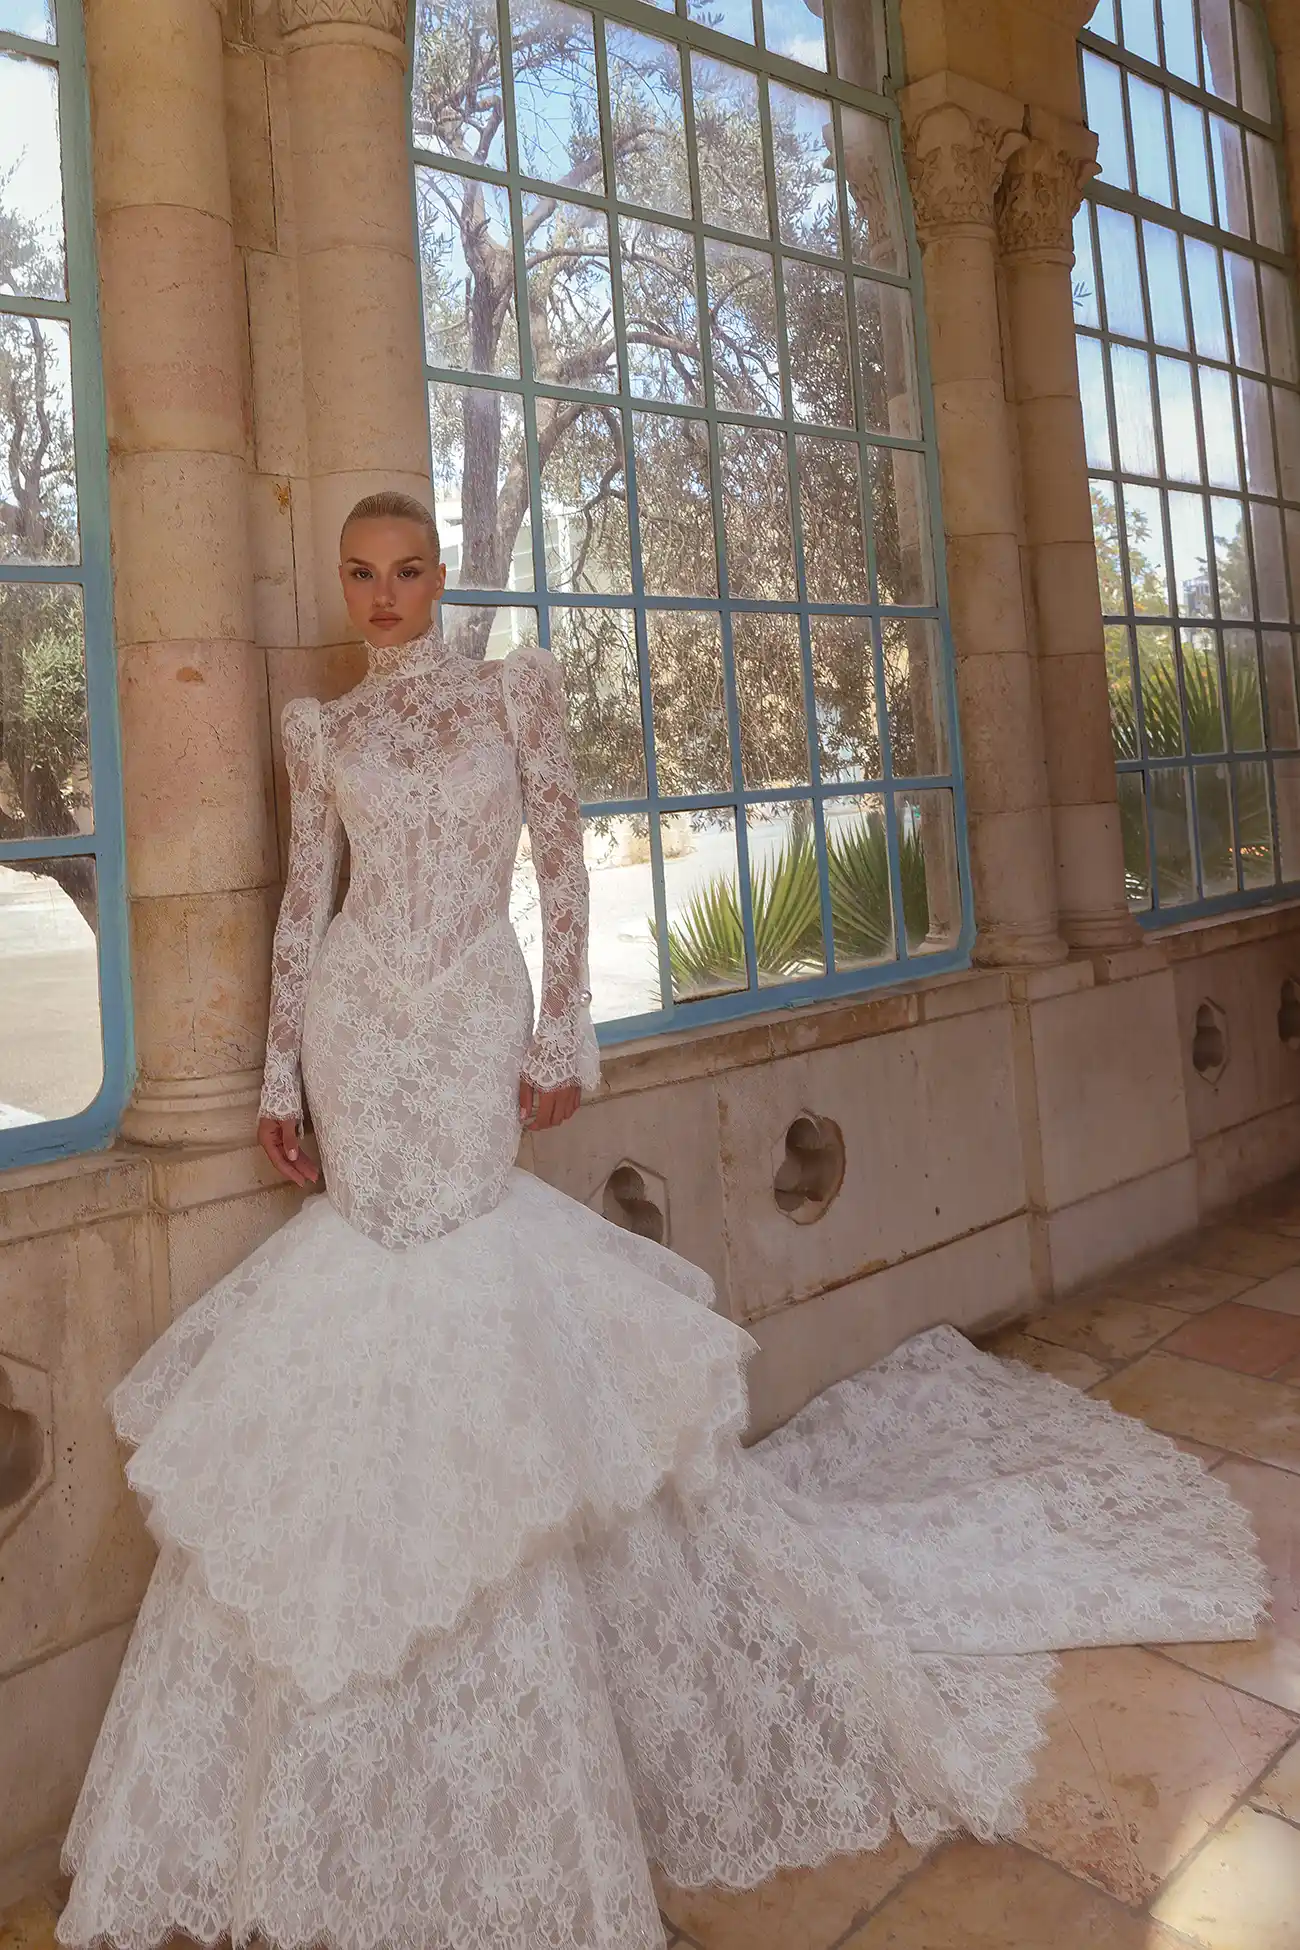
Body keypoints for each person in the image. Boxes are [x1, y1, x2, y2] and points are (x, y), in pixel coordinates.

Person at [58, 492, 1266, 1950]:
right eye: (361, 577)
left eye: (408, 571)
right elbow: (309, 899)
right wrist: (277, 1076)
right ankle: (368, 1748)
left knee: (471, 1285)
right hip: (362, 1042)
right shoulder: (325, 732)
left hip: (474, 1024)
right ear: (345, 584)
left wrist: (563, 1034)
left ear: (445, 574)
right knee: (369, 1296)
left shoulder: (518, 689)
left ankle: (530, 1699)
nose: (383, 598)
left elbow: (563, 867)